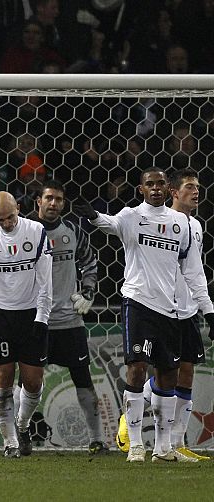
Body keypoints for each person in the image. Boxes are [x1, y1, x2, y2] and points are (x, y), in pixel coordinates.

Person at [76, 167, 214, 462]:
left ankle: (163, 448)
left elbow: (193, 271)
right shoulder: (131, 216)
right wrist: (92, 216)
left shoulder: (182, 223)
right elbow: (109, 225)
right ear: (141, 189)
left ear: (168, 189)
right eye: (149, 184)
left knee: (168, 377)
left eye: (160, 184)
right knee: (137, 368)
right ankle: (136, 444)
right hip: (138, 302)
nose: (155, 188)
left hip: (171, 309)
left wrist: (209, 310)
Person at [118, 169, 212, 461]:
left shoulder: (192, 225)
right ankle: (131, 427)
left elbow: (194, 271)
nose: (196, 192)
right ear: (174, 192)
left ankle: (173, 445)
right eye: (189, 187)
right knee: (146, 367)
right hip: (158, 307)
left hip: (187, 309)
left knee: (183, 373)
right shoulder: (146, 220)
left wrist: (206, 308)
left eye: (198, 187)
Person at [0, 191, 53, 458]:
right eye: (0, 219)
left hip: (30, 314)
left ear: (19, 208)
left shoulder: (36, 231)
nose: (6, 223)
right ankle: (10, 443)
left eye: (10, 217)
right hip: (0, 316)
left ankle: (23, 424)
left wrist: (42, 317)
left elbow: (45, 278)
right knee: (2, 377)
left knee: (33, 381)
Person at [34, 180, 107, 454]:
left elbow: (90, 262)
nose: (54, 204)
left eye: (59, 200)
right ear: (38, 202)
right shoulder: (26, 233)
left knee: (83, 381)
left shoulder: (74, 231)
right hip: (36, 322)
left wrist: (88, 292)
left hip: (69, 322)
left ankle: (97, 438)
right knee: (29, 383)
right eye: (49, 198)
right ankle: (20, 434)